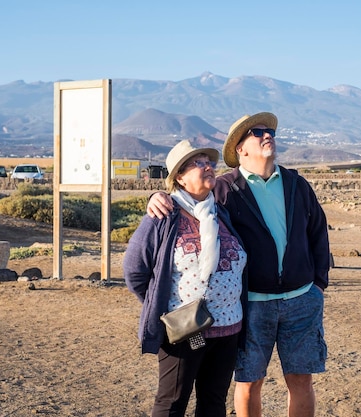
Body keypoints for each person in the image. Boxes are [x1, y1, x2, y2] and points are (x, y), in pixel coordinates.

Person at [148, 112, 330, 417]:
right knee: (248, 382)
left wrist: (318, 284)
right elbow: (186, 201)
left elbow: (318, 232)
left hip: (300, 300)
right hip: (252, 304)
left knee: (301, 381)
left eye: (269, 130)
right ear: (240, 149)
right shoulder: (222, 189)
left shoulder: (297, 184)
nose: (267, 134)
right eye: (257, 132)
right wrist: (155, 196)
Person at [123, 140, 248, 417]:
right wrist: (162, 304)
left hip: (228, 328)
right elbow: (134, 271)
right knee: (172, 402)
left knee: (214, 403)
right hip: (185, 329)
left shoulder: (221, 213)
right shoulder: (163, 216)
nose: (207, 167)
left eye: (209, 162)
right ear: (179, 176)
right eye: (197, 163)